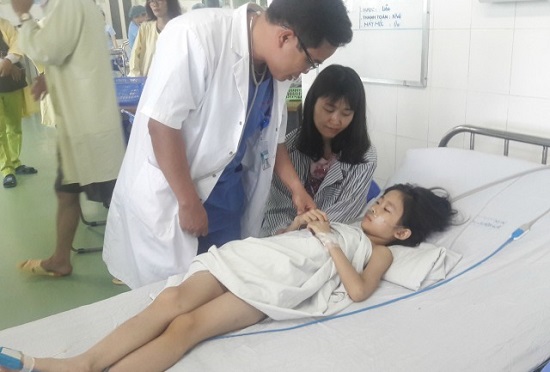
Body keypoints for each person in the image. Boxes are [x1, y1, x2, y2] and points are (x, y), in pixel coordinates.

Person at [0, 183, 456, 372]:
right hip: (255, 257)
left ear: (402, 233)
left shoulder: (379, 253)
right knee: (170, 301)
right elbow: (286, 242)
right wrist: (300, 227)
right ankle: (81, 364)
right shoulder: (345, 224)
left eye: (386, 211)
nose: (374, 209)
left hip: (275, 285)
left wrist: (329, 241)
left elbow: (357, 291)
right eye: (379, 203)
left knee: (187, 327)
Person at [103, 0, 353, 289]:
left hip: (226, 200)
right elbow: (161, 126)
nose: (308, 71)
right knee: (171, 298)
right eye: (311, 62)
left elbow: (272, 139)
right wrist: (187, 201)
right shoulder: (195, 36)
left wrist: (297, 189)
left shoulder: (276, 71)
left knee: (222, 287)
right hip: (174, 196)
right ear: (286, 37)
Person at [12, 0, 126, 277]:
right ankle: (61, 258)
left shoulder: (70, 3)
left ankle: (133, 265)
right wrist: (50, 79)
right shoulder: (67, 6)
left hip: (89, 123)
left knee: (119, 199)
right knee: (66, 191)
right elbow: (72, 54)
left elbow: (47, 49)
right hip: (80, 124)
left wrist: (24, 16)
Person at [261, 64, 377, 236]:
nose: (335, 120)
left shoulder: (365, 157)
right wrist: (289, 230)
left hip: (331, 240)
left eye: (346, 114)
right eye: (329, 109)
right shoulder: (288, 149)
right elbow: (276, 209)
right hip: (284, 238)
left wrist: (300, 229)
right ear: (312, 103)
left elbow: (342, 216)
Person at [0, 17, 37, 189]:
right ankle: (6, 169)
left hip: (10, 82)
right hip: (8, 72)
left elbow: (17, 42)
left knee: (14, 125)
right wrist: (5, 63)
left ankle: (15, 162)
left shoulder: (4, 23)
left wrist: (9, 61)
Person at [128, 0, 182, 77]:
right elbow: (135, 57)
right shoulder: (146, 28)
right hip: (148, 82)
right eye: (151, 1)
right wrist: (137, 79)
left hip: (174, 81)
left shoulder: (180, 27)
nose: (154, 4)